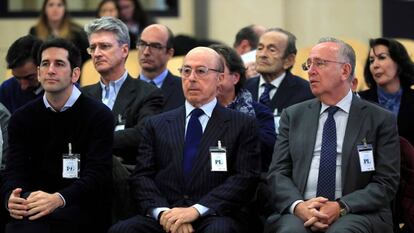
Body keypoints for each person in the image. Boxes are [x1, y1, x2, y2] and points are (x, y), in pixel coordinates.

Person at [109, 47, 261, 233]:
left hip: (215, 214)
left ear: (220, 78)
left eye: (201, 71)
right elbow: (142, 177)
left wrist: (196, 211)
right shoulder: (157, 124)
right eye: (186, 71)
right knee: (123, 230)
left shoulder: (242, 124)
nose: (191, 78)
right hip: (166, 214)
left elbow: (245, 178)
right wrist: (164, 213)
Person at [265, 37, 400, 233]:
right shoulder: (293, 115)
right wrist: (299, 206)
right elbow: (278, 173)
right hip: (301, 209)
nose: (311, 71)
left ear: (345, 71)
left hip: (356, 211)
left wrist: (341, 206)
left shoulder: (379, 119)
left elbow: (386, 182)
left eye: (319, 63)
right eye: (308, 64)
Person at [0, 38, 114, 233]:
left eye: (59, 64)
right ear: (38, 72)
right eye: (45, 64)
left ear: (75, 74)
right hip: (33, 206)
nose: (50, 70)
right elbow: (14, 170)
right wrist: (11, 197)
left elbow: (97, 175)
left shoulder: (99, 115)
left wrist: (58, 199)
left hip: (79, 205)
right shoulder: (22, 118)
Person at [82, 16, 164, 165]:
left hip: (126, 177)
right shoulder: (82, 95)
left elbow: (142, 134)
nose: (97, 53)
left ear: (124, 50)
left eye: (104, 46)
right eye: (93, 48)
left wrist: (94, 140)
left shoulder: (148, 93)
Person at [210, 43, 275, 171]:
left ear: (235, 77)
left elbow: (266, 151)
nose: (210, 77)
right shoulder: (194, 111)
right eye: (204, 71)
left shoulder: (260, 113)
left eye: (217, 70)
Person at [244, 28, 314, 117]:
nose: (263, 55)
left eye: (272, 50)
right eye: (260, 48)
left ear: (289, 60)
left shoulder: (306, 92)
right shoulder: (243, 88)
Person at [359, 37, 414, 146]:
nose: (375, 65)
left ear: (398, 62)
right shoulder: (359, 100)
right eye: (371, 60)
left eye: (382, 58)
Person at [137, 24, 185, 111]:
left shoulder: (183, 89)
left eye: (155, 46)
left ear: (170, 53)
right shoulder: (124, 89)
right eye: (142, 44)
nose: (146, 52)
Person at [29, 0, 90, 65]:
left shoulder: (77, 32)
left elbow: (87, 60)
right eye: (51, 5)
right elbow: (32, 59)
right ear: (44, 9)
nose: (55, 9)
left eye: (59, 5)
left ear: (65, 9)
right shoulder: (35, 31)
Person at [1, 35, 44, 114]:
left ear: (44, 66)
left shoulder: (64, 91)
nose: (23, 86)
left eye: (30, 78)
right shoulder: (6, 90)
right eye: (17, 78)